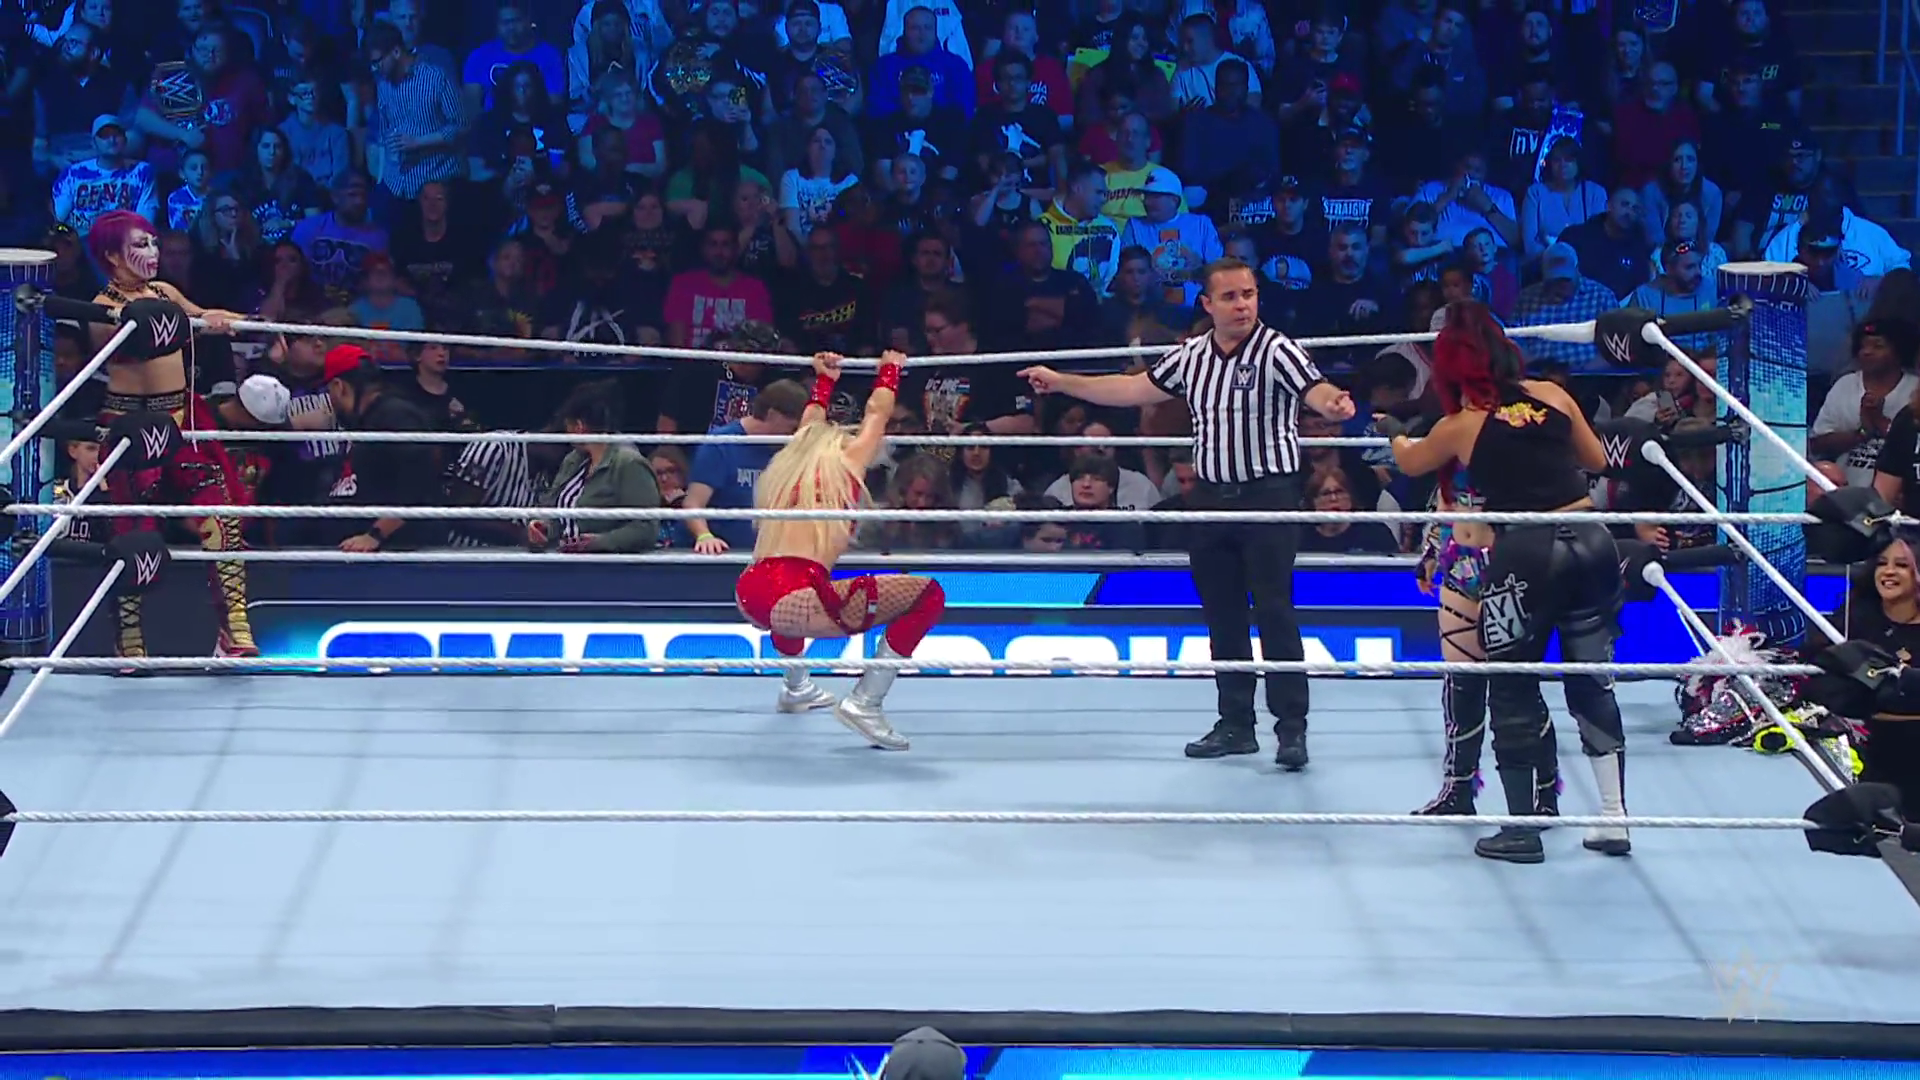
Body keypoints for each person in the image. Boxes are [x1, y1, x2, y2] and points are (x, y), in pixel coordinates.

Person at [1016, 256, 1356, 769]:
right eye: (1230, 297)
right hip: (1211, 497)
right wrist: (1063, 381)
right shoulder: (1192, 356)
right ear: (1207, 304)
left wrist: (1333, 403)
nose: (1242, 305)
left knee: (1274, 611)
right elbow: (1131, 388)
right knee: (1222, 612)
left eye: (1249, 294)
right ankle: (1236, 724)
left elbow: (1316, 388)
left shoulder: (1277, 349)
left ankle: (1291, 729)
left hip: (1268, 497)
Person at [1377, 301, 1626, 863]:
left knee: (1511, 685)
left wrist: (1393, 432)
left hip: (1526, 551)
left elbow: (1411, 463)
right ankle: (1614, 817)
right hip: (1591, 539)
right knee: (1592, 682)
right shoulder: (1553, 395)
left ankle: (1522, 829)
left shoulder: (1463, 423)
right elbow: (1595, 459)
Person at [733, 350, 948, 752]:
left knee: (797, 604)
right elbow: (877, 414)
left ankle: (796, 687)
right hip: (791, 595)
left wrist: (825, 381)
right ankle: (866, 702)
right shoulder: (846, 462)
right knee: (929, 594)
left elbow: (810, 421)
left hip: (750, 589)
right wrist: (890, 370)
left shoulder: (790, 462)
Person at [86, 209, 256, 661]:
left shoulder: (165, 291)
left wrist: (235, 320)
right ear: (112, 256)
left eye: (154, 243)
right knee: (133, 534)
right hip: (132, 429)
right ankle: (129, 638)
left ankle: (234, 627)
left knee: (220, 515)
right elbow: (121, 340)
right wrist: (164, 320)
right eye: (140, 245)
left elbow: (203, 315)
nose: (153, 252)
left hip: (181, 422)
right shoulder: (101, 306)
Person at [1411, 465, 1494, 816]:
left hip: (1512, 563)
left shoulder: (1521, 439)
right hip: (1460, 562)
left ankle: (1543, 793)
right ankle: (1459, 787)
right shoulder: (1451, 443)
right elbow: (1444, 498)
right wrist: (1431, 552)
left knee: (1517, 689)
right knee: (1461, 681)